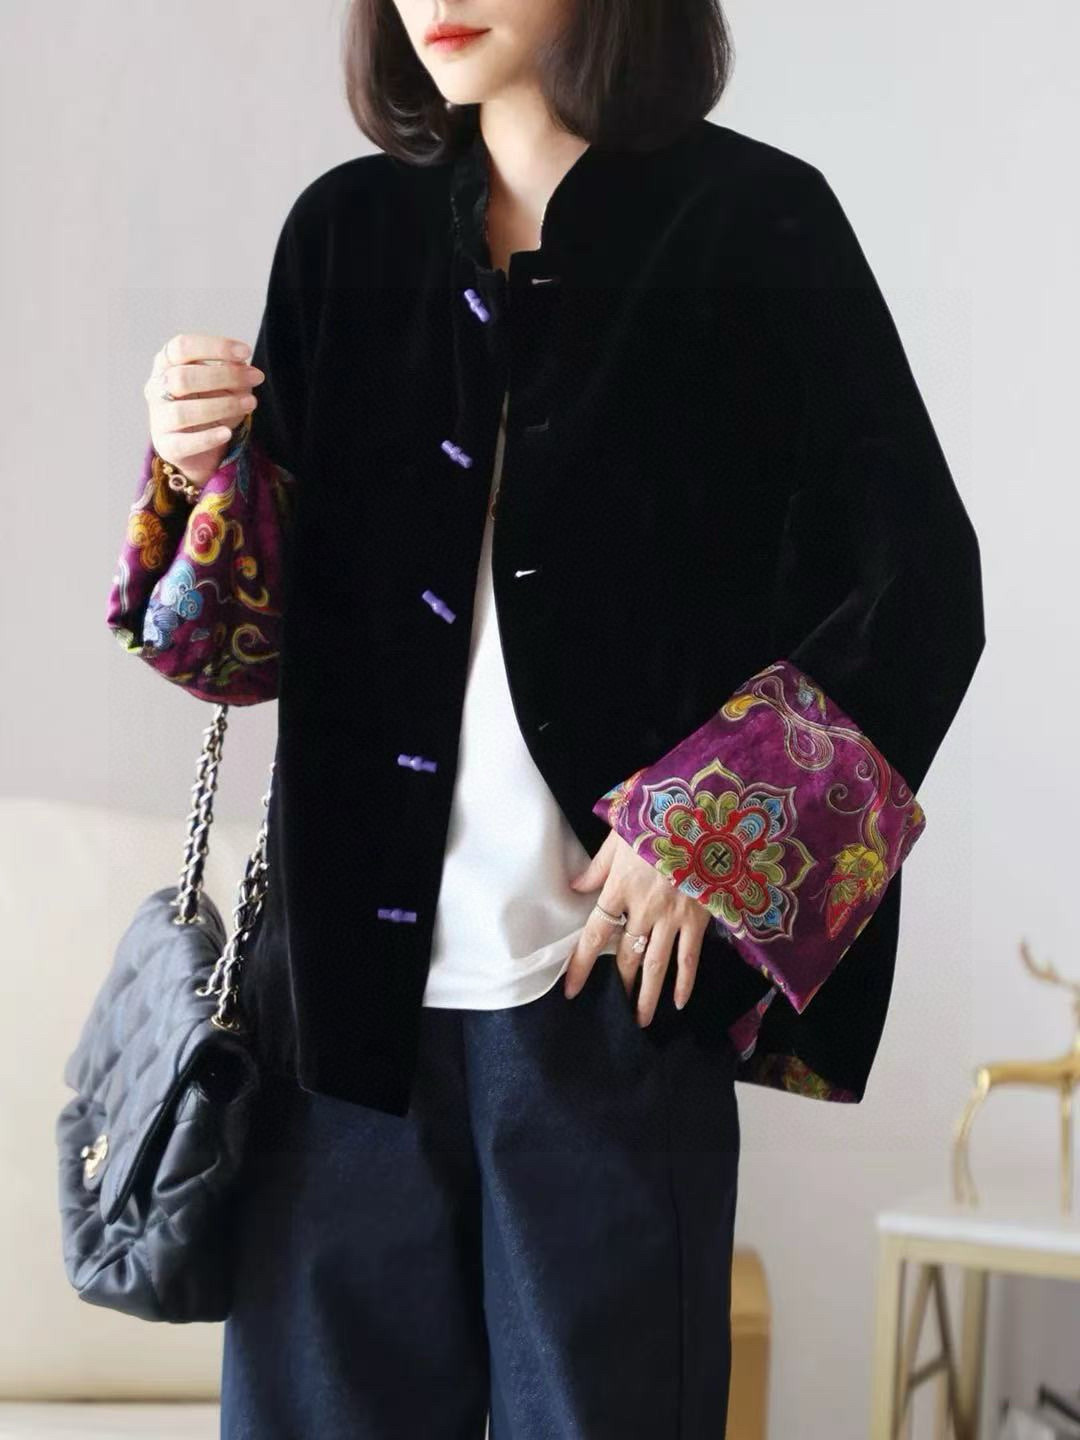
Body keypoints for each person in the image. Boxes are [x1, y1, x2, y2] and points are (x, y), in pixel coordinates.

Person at [104, 1, 985, 1435]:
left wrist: (715, 827)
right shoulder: (342, 232)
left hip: (611, 1016)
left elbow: (925, 582)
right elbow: (240, 649)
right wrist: (195, 459)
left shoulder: (757, 223)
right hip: (335, 1024)